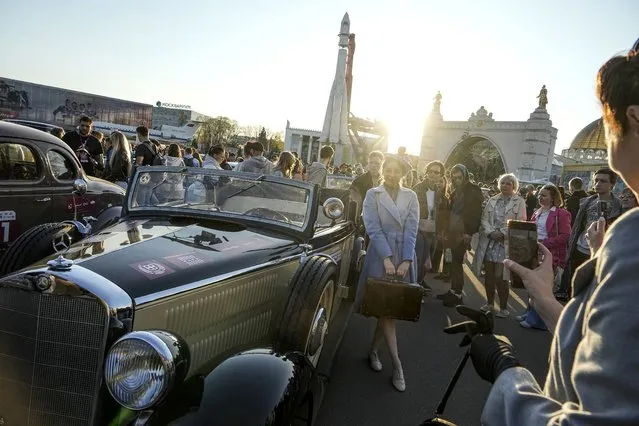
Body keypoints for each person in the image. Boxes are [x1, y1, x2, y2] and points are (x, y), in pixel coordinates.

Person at [449, 45, 639, 425]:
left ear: (633, 118)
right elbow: (606, 351)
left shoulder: (632, 241)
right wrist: (544, 297)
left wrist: (508, 375)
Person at [354, 155, 418, 392]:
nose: (391, 175)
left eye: (396, 171)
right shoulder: (373, 194)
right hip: (381, 255)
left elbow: (412, 229)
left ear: (402, 173)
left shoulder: (411, 196)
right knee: (386, 310)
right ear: (382, 171)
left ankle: (373, 351)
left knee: (389, 310)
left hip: (404, 256)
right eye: (387, 170)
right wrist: (387, 257)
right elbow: (372, 226)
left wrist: (407, 259)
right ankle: (397, 365)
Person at [557, 167, 622, 300]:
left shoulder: (619, 206)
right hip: (580, 248)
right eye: (596, 180)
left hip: (603, 251)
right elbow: (576, 225)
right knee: (575, 287)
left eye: (603, 181)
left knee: (594, 290)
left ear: (612, 185)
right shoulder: (585, 202)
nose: (598, 184)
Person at [516, 184, 571, 330]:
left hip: (549, 254)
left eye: (544, 195)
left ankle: (537, 320)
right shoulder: (537, 212)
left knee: (542, 288)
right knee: (533, 284)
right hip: (534, 252)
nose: (540, 197)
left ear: (553, 198)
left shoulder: (561, 213)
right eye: (539, 194)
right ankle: (529, 313)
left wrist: (543, 243)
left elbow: (565, 236)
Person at [471, 173, 526, 318]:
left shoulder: (519, 201)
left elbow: (520, 221)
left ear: (514, 186)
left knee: (501, 277)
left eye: (508, 183)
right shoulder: (492, 200)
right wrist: (490, 232)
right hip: (490, 242)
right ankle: (489, 303)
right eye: (502, 183)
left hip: (505, 243)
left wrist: (502, 233)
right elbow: (484, 219)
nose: (505, 186)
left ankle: (503, 307)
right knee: (489, 276)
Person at [437, 164, 483, 307]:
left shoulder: (473, 190)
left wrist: (469, 233)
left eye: (459, 177)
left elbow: (476, 214)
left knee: (457, 262)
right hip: (452, 230)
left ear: (465, 176)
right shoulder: (454, 191)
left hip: (463, 232)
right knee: (452, 262)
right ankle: (453, 290)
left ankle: (457, 294)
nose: (457, 180)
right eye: (454, 177)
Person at [412, 161, 449, 291]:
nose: (433, 174)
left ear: (441, 175)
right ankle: (414, 285)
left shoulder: (439, 191)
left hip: (432, 230)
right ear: (426, 172)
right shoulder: (417, 188)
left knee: (427, 262)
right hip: (417, 228)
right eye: (430, 171)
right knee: (418, 258)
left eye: (436, 172)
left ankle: (420, 282)